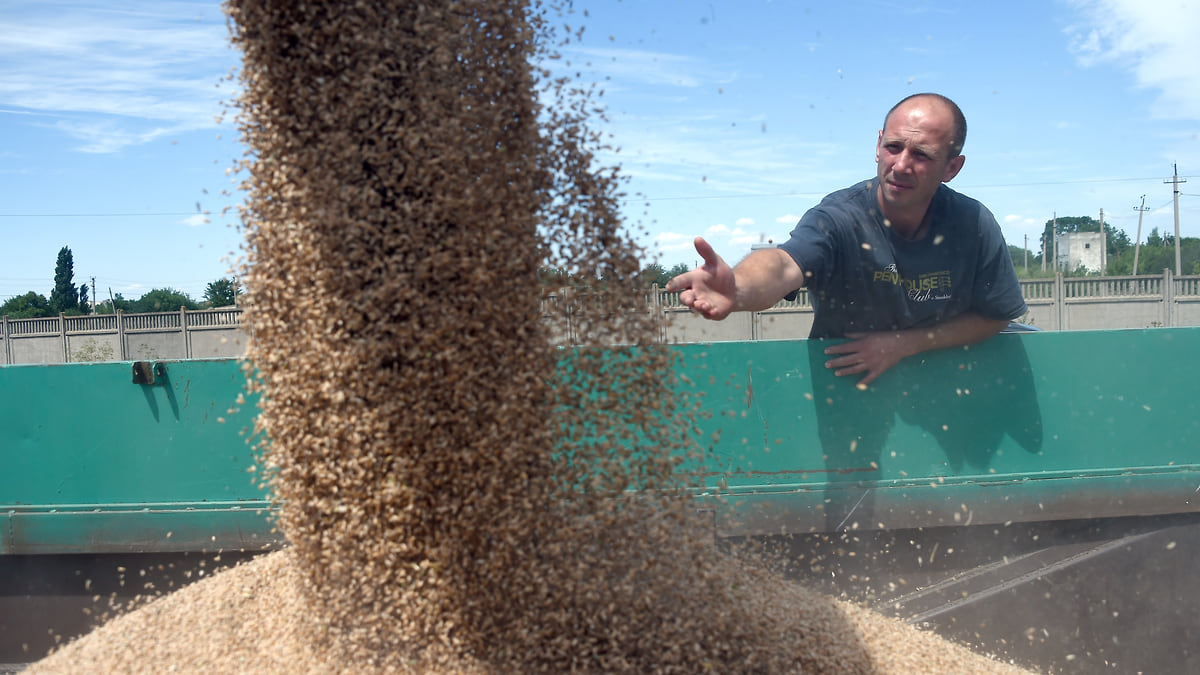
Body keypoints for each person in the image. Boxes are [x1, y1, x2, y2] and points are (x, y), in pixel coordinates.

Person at [666, 93, 1027, 386]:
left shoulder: (973, 223)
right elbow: (784, 264)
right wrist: (739, 287)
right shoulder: (839, 218)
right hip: (846, 386)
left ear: (952, 167)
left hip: (947, 391)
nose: (900, 164)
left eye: (921, 155)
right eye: (894, 147)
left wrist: (903, 346)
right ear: (877, 146)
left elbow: (996, 316)